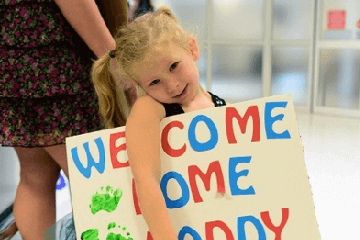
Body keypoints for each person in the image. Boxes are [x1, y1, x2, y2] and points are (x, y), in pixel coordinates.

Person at [0, 0, 132, 239]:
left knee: (34, 177)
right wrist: (113, 60)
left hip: (12, 62)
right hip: (57, 65)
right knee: (97, 179)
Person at [92, 6, 227, 239]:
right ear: (139, 85)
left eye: (174, 66)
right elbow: (145, 180)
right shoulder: (150, 109)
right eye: (154, 82)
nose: (172, 86)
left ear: (192, 49)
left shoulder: (213, 101)